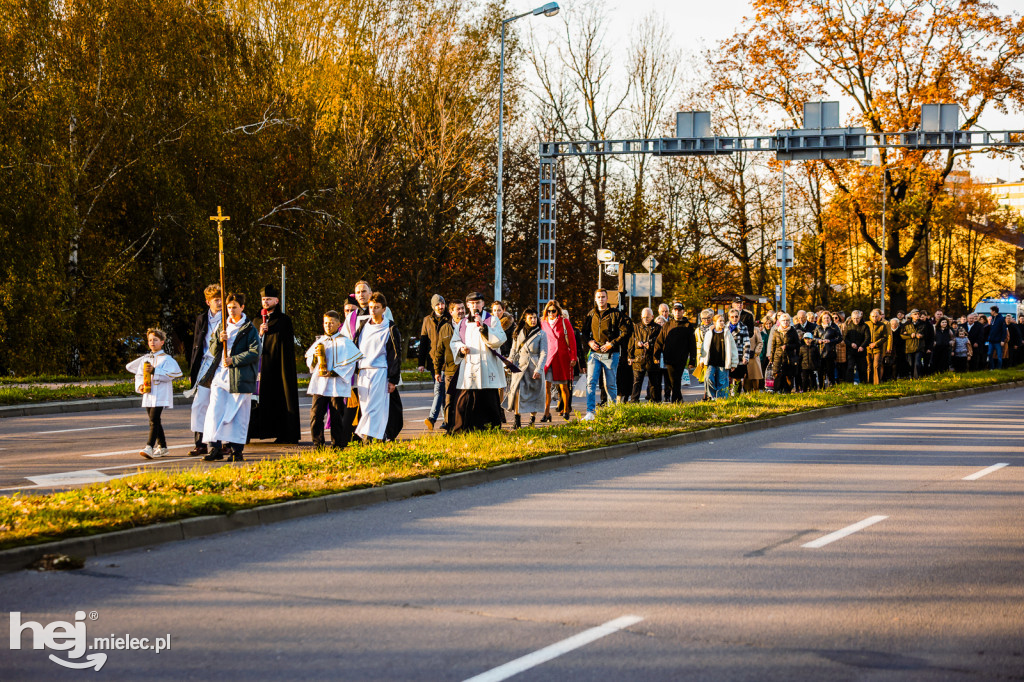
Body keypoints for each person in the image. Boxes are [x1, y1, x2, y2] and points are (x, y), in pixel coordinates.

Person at [201, 293, 261, 462]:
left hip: (239, 376)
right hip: (220, 375)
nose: (231, 310)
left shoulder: (249, 329)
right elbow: (212, 350)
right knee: (215, 411)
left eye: (234, 307)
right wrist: (219, 341)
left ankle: (237, 450)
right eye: (228, 307)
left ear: (242, 307)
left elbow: (255, 352)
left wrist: (234, 360)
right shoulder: (223, 325)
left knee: (237, 414)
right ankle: (215, 447)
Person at [247, 284, 301, 445]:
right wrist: (260, 332)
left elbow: (286, 346)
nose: (265, 302)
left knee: (281, 399)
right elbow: (252, 343)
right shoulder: (256, 320)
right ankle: (255, 432)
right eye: (263, 299)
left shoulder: (284, 320)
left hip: (278, 368)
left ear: (276, 300)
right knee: (257, 401)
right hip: (260, 368)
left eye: (269, 299)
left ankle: (285, 433)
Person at [450, 291, 507, 432]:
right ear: (468, 305)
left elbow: (500, 339)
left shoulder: (491, 320)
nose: (475, 305)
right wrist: (460, 348)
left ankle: (492, 428)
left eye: (478, 302)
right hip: (469, 366)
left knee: (489, 401)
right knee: (463, 401)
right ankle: (461, 429)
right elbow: (454, 341)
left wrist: (484, 328)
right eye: (472, 303)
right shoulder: (462, 323)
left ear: (483, 304)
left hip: (487, 365)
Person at [305, 310, 361, 448]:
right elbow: (310, 362)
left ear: (338, 324)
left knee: (337, 416)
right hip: (320, 384)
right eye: (325, 323)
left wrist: (334, 372)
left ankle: (337, 445)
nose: (328, 326)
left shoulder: (345, 342)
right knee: (316, 415)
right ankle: (318, 444)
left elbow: (350, 364)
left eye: (331, 323)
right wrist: (314, 359)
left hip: (337, 384)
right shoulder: (320, 341)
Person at [353, 292, 402, 442]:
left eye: (377, 307)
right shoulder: (363, 326)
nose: (373, 311)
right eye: (371, 307)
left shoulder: (390, 328)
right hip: (363, 372)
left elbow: (395, 354)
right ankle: (373, 436)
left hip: (380, 371)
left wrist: (393, 379)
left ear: (384, 309)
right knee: (365, 405)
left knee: (374, 407)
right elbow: (355, 347)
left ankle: (370, 437)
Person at [127, 328, 182, 459]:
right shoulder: (146, 358)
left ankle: (149, 447)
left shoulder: (167, 359)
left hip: (160, 394)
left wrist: (155, 371)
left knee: (153, 420)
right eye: (150, 340)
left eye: (156, 340)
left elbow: (174, 374)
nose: (152, 342)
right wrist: (140, 385)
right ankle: (162, 447)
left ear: (162, 342)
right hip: (149, 394)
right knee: (155, 421)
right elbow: (139, 374)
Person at [581, 288, 628, 421]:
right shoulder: (591, 314)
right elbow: (584, 333)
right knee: (591, 383)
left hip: (611, 355)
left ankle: (612, 412)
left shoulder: (615, 314)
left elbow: (626, 332)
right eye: (598, 297)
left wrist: (612, 344)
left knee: (610, 384)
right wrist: (590, 342)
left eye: (603, 297)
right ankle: (590, 412)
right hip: (594, 354)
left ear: (607, 299)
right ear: (595, 299)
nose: (601, 299)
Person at [187, 284, 221, 456]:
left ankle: (223, 442)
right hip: (205, 365)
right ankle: (200, 442)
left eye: (221, 299)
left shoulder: (229, 317)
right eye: (216, 300)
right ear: (208, 302)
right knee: (200, 404)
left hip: (221, 364)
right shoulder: (202, 319)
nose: (220, 303)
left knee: (219, 403)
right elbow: (197, 345)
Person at [503, 308, 548, 428]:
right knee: (517, 391)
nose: (533, 320)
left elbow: (544, 353)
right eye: (530, 318)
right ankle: (517, 420)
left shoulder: (541, 334)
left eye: (535, 317)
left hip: (534, 366)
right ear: (525, 319)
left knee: (535, 393)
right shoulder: (518, 332)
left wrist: (539, 369)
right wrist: (510, 360)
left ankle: (532, 420)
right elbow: (514, 348)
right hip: (520, 365)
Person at [540, 300, 578, 421]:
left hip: (561, 357)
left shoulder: (564, 321)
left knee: (563, 386)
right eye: (549, 311)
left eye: (553, 311)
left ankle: (566, 410)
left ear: (558, 311)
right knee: (546, 386)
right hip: (548, 358)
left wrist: (573, 357)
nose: (551, 313)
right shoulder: (543, 323)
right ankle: (546, 413)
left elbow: (572, 340)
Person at [433, 299, 466, 434]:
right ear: (451, 311)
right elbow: (439, 351)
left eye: (463, 308)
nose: (461, 311)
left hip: (466, 369)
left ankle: (464, 427)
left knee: (464, 400)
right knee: (449, 400)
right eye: (458, 309)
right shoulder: (445, 328)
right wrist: (437, 371)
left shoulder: (469, 326)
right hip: (450, 370)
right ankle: (449, 427)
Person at [654, 302, 697, 403]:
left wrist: (692, 360)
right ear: (672, 312)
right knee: (673, 380)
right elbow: (659, 341)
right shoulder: (667, 325)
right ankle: (678, 399)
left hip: (681, 358)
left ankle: (676, 400)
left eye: (679, 310)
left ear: (683, 311)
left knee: (676, 380)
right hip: (669, 358)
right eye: (675, 310)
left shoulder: (688, 326)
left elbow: (692, 344)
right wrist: (655, 355)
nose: (677, 312)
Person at [419, 294, 450, 432]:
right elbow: (423, 343)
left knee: (439, 390)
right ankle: (447, 420)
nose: (441, 306)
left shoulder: (449, 318)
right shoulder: (427, 320)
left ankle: (432, 418)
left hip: (446, 361)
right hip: (433, 361)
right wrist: (421, 363)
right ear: (433, 306)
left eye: (442, 303)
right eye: (438, 304)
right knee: (441, 391)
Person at [628, 307, 662, 402]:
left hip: (652, 358)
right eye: (643, 317)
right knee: (637, 382)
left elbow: (660, 343)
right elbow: (631, 343)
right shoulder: (636, 327)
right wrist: (631, 355)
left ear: (652, 316)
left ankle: (656, 402)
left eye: (647, 317)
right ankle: (634, 402)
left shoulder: (658, 328)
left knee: (654, 383)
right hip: (638, 358)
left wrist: (650, 345)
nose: (645, 319)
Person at [701, 314, 738, 400]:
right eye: (720, 321)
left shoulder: (727, 333)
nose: (722, 323)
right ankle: (712, 396)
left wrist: (733, 363)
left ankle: (722, 399)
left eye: (723, 321)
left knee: (722, 381)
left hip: (722, 362)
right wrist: (702, 360)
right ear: (714, 322)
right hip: (711, 361)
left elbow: (733, 349)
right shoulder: (709, 333)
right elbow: (704, 348)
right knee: (708, 378)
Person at [769, 312, 800, 394]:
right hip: (778, 356)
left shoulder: (792, 331)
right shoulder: (776, 331)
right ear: (780, 321)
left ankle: (787, 391)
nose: (785, 322)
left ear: (789, 321)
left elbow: (797, 344)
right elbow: (773, 345)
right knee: (777, 374)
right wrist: (771, 358)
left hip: (789, 357)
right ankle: (777, 391)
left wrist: (788, 346)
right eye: (783, 320)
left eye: (787, 320)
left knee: (788, 375)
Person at [814, 311, 842, 388]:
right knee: (820, 372)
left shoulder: (834, 327)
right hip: (820, 353)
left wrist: (830, 341)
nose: (826, 319)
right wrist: (818, 341)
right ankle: (821, 387)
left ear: (830, 318)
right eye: (824, 318)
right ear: (821, 319)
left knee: (830, 371)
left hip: (830, 352)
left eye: (828, 318)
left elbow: (839, 338)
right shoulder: (818, 327)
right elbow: (813, 338)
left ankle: (832, 386)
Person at [726, 307, 751, 395]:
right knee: (728, 377)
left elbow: (747, 343)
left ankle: (736, 395)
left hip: (739, 355)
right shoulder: (725, 327)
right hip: (728, 356)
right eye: (732, 317)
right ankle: (727, 394)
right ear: (729, 317)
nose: (734, 318)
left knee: (738, 377)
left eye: (736, 316)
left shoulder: (743, 327)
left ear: (739, 317)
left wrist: (746, 357)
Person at [864, 308, 890, 385]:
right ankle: (869, 382)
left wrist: (876, 344)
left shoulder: (882, 325)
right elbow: (864, 336)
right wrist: (868, 343)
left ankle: (877, 383)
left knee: (876, 365)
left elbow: (885, 337)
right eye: (873, 316)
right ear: (870, 317)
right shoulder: (866, 324)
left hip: (878, 348)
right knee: (869, 366)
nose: (874, 318)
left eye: (876, 316)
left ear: (879, 317)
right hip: (868, 348)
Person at [844, 310, 869, 383]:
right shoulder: (849, 326)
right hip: (851, 351)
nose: (856, 320)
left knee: (862, 369)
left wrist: (862, 346)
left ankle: (864, 383)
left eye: (857, 318)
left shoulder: (865, 326)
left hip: (861, 351)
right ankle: (849, 383)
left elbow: (867, 338)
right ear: (851, 318)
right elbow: (845, 338)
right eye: (854, 318)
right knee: (850, 367)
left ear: (860, 317)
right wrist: (851, 344)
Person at [901, 309, 928, 378]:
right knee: (911, 364)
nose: (917, 315)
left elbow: (926, 334)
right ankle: (912, 377)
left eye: (918, 314)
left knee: (917, 363)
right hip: (909, 347)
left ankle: (917, 378)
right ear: (911, 315)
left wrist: (922, 335)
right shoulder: (906, 324)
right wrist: (910, 335)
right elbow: (901, 335)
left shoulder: (923, 323)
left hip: (919, 346)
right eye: (915, 314)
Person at [744, 317, 764, 393]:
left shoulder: (755, 329)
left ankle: (756, 392)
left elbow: (760, 342)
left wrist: (756, 353)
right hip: (744, 356)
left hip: (753, 356)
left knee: (755, 376)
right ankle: (747, 393)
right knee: (746, 376)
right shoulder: (741, 329)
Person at [988, 305, 1008, 369]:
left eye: (991, 311)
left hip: (998, 341)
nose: (990, 312)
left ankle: (998, 368)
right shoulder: (992, 319)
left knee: (999, 356)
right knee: (989, 354)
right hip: (991, 341)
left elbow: (1004, 331)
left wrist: (1002, 340)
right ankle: (992, 368)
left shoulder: (1001, 319)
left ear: (994, 311)